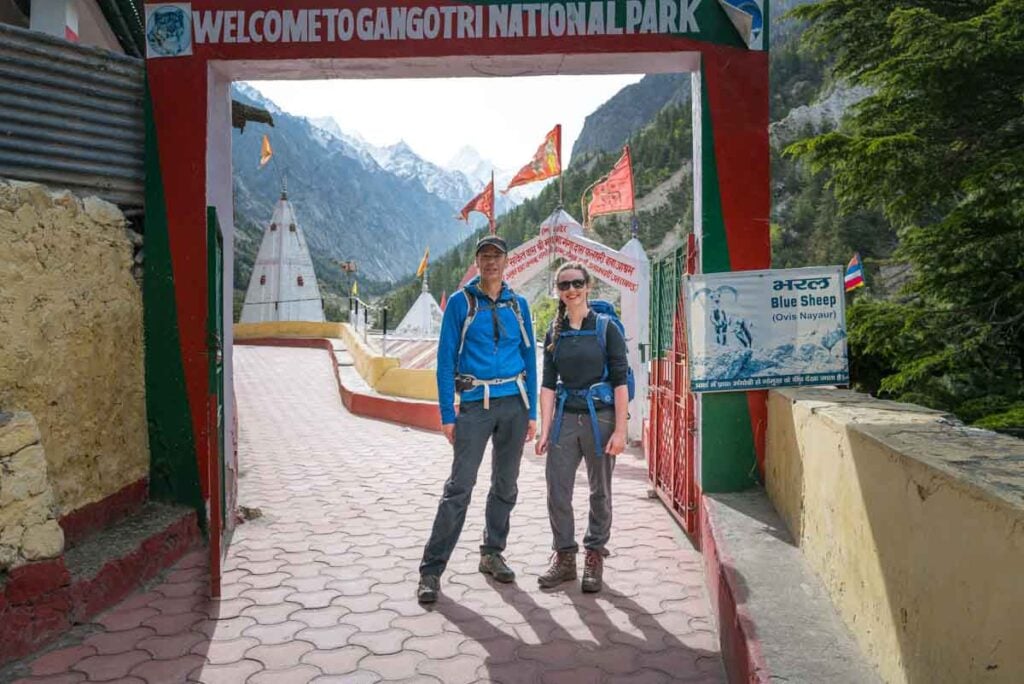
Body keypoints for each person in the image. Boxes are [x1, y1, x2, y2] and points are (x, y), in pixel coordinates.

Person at [417, 235, 538, 603]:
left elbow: (530, 358)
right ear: (476, 262)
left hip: (514, 406)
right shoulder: (460, 303)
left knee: (506, 485)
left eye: (497, 257)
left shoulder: (519, 305)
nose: (491, 263)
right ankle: (431, 571)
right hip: (474, 406)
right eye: (484, 257)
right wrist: (446, 413)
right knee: (459, 488)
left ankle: (492, 552)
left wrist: (531, 411)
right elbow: (444, 360)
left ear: (507, 262)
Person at [534, 262, 628, 593]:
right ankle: (564, 557)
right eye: (564, 285)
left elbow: (620, 381)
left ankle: (594, 555)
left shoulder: (606, 328)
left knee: (599, 490)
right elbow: (547, 384)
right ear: (558, 292)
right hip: (564, 419)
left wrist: (621, 430)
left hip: (600, 419)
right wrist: (544, 430)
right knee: (557, 489)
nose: (571, 290)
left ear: (588, 286)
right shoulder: (553, 331)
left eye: (576, 283)